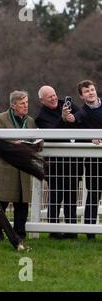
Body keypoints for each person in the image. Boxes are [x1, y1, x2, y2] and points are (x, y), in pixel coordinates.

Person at [35, 85, 82, 239]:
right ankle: (53, 231)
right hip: (55, 165)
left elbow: (82, 115)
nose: (54, 98)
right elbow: (53, 135)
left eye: (54, 95)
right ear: (42, 100)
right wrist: (62, 119)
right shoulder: (41, 117)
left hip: (73, 163)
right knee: (55, 198)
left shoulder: (66, 104)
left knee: (71, 198)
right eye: (50, 97)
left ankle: (71, 231)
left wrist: (73, 118)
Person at [0, 91, 36, 241]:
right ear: (13, 105)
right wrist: (13, 143)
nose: (26, 106)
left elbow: (35, 138)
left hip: (23, 168)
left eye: (27, 102)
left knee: (22, 204)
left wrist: (37, 143)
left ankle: (20, 234)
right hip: (6, 167)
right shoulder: (0, 119)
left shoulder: (30, 121)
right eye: (22, 103)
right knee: (1, 203)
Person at [63, 80, 102, 240]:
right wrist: (66, 116)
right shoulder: (83, 112)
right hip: (94, 162)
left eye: (92, 89)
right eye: (86, 91)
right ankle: (90, 232)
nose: (90, 93)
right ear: (81, 96)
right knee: (93, 195)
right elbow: (73, 120)